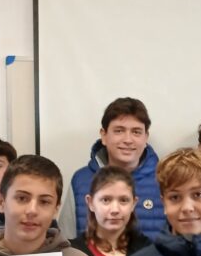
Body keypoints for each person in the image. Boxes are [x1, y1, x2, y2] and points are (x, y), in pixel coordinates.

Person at [60, 97, 164, 239]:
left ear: (146, 137)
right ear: (104, 135)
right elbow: (66, 242)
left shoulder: (166, 179)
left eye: (136, 132)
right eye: (119, 131)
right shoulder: (80, 180)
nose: (128, 140)